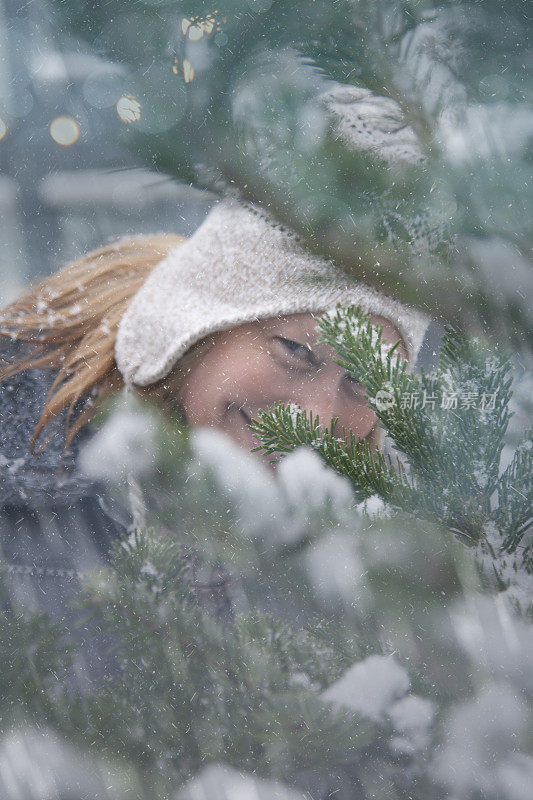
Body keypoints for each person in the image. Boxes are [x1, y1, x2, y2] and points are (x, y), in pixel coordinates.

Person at [0, 197, 431, 684]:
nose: (318, 419)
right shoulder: (21, 496)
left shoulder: (368, 573)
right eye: (295, 351)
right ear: (200, 324)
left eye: (361, 384)